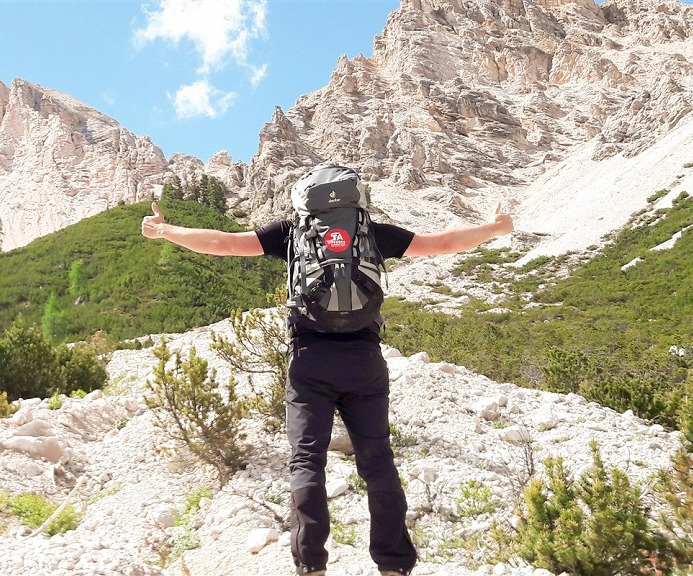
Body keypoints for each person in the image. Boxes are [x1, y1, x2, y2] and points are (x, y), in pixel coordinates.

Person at [141, 168, 514, 576]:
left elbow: (221, 243)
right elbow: (442, 243)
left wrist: (165, 231)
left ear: (305, 200)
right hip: (365, 362)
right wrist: (495, 228)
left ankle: (311, 566)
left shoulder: (292, 233)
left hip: (310, 360)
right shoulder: (372, 233)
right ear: (355, 199)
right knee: (377, 461)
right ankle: (393, 565)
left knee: (307, 460)